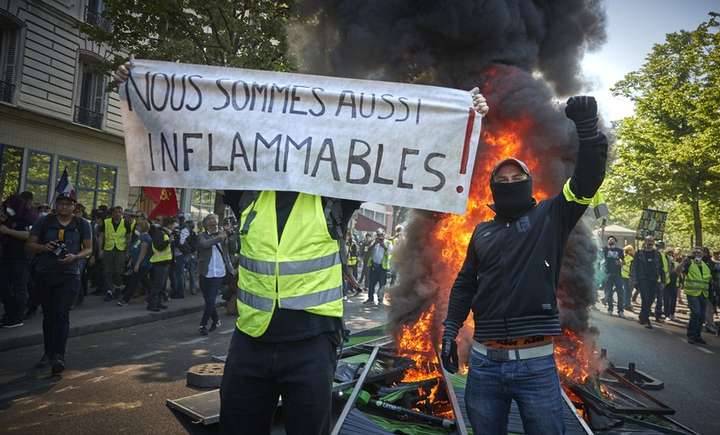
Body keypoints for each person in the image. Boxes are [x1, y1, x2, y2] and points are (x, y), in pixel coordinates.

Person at [115, 58, 489, 434]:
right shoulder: (243, 189)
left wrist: (463, 116)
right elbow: (195, 137)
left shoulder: (335, 195)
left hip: (312, 344)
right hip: (251, 340)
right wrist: (141, 91)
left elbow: (394, 146)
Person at [441, 95, 606, 435]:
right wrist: (449, 331)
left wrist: (588, 131)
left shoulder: (551, 216)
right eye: (502, 180)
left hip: (536, 366)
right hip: (484, 364)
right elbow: (465, 284)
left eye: (518, 177)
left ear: (528, 183)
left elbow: (587, 180)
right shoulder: (481, 232)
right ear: (493, 188)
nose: (510, 181)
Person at [26, 193, 92, 374]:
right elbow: (30, 244)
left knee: (62, 314)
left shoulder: (82, 224)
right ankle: (48, 353)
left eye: (68, 204)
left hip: (70, 275)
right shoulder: (44, 222)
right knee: (48, 316)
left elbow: (88, 248)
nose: (64, 207)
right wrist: (43, 247)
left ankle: (58, 356)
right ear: (56, 205)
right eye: (61, 204)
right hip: (45, 274)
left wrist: (75, 256)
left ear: (74, 206)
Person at [195, 214, 234, 336]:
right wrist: (219, 238)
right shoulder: (201, 236)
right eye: (211, 221)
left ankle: (203, 325)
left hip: (219, 272)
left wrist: (229, 237)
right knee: (208, 301)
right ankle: (216, 320)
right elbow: (204, 244)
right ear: (206, 224)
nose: (213, 224)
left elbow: (234, 248)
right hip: (205, 272)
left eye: (215, 221)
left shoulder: (223, 234)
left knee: (211, 299)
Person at [0, 192, 36, 328]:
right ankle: (10, 312)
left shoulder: (28, 217)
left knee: (19, 287)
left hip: (21, 256)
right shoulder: (9, 217)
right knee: (5, 286)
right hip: (7, 255)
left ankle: (16, 317)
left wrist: (8, 231)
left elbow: (29, 235)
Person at [97, 206, 132, 301]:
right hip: (108, 249)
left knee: (118, 271)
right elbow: (101, 236)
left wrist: (128, 252)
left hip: (120, 250)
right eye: (116, 212)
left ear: (122, 214)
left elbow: (129, 238)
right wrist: (100, 250)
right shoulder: (106, 222)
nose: (118, 214)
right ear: (112, 213)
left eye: (120, 212)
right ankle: (109, 291)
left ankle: (118, 288)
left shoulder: (126, 223)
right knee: (107, 271)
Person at [679, 247, 711, 344]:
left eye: (700, 252)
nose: (698, 254)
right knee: (696, 313)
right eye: (695, 252)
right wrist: (684, 260)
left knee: (702, 315)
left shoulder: (705, 265)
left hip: (703, 293)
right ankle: (691, 335)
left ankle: (697, 335)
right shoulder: (689, 263)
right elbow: (677, 271)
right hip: (692, 293)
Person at [117, 220, 152, 306]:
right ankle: (156, 295)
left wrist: (137, 264)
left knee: (133, 281)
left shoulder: (146, 238)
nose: (136, 228)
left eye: (138, 226)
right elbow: (135, 250)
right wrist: (131, 261)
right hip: (137, 263)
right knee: (145, 281)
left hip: (142, 264)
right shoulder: (140, 237)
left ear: (143, 228)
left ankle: (125, 300)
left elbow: (142, 253)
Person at [148, 217, 175, 312]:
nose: (174, 226)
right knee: (157, 285)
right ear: (169, 224)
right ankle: (152, 304)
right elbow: (159, 246)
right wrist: (168, 241)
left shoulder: (165, 233)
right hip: (159, 262)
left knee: (161, 285)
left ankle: (158, 303)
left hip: (164, 262)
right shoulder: (160, 233)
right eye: (173, 224)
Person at [365, 228, 392, 305]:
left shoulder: (388, 243)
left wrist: (383, 246)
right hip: (373, 266)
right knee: (371, 284)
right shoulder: (374, 242)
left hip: (382, 267)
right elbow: (367, 250)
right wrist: (374, 244)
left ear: (384, 235)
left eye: (381, 235)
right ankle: (370, 299)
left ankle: (380, 299)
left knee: (382, 284)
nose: (380, 237)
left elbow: (390, 253)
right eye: (378, 235)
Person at [602, 236, 625, 316]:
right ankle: (610, 309)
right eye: (609, 240)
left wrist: (620, 263)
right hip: (608, 273)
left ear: (615, 241)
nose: (610, 240)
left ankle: (620, 311)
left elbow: (623, 261)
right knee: (609, 292)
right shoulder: (605, 249)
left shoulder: (619, 250)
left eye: (612, 240)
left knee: (620, 292)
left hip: (618, 274)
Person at [662, 248, 679, 321]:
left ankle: (672, 313)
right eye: (669, 254)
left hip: (674, 283)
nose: (671, 255)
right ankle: (666, 314)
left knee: (673, 299)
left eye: (672, 253)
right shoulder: (664, 262)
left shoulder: (676, 263)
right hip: (666, 283)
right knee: (666, 299)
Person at [621, 244, 635, 311]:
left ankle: (626, 304)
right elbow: (630, 267)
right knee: (628, 292)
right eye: (632, 250)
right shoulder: (629, 257)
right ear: (629, 251)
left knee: (627, 291)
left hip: (624, 275)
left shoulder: (625, 256)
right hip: (628, 276)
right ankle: (626, 305)